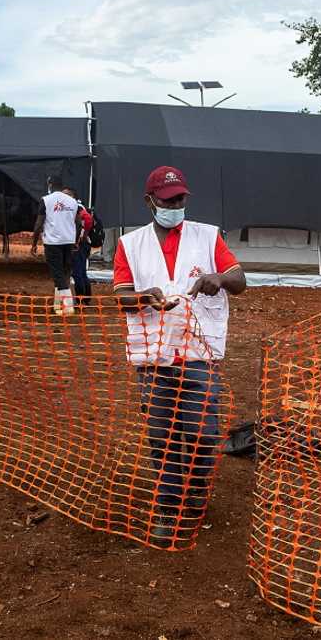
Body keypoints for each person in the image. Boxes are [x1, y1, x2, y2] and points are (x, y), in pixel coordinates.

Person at [112, 165, 246, 546]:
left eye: (181, 199)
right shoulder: (130, 244)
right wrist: (142, 296)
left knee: (204, 435)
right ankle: (169, 508)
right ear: (150, 201)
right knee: (163, 437)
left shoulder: (207, 236)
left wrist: (219, 278)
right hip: (153, 356)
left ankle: (196, 496)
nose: (177, 205)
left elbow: (240, 280)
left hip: (199, 353)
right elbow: (120, 296)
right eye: (169, 200)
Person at [31, 178, 80, 315]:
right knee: (65, 272)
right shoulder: (73, 201)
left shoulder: (46, 200)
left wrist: (34, 243)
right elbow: (78, 223)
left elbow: (39, 223)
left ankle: (68, 306)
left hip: (53, 242)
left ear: (50, 185)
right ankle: (58, 305)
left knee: (57, 273)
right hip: (68, 240)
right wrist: (75, 240)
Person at [65, 187, 94, 302]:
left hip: (79, 244)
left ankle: (81, 299)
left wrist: (82, 236)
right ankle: (86, 298)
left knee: (78, 272)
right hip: (81, 243)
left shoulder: (77, 207)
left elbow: (88, 220)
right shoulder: (77, 206)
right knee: (81, 271)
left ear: (73, 196)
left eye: (67, 195)